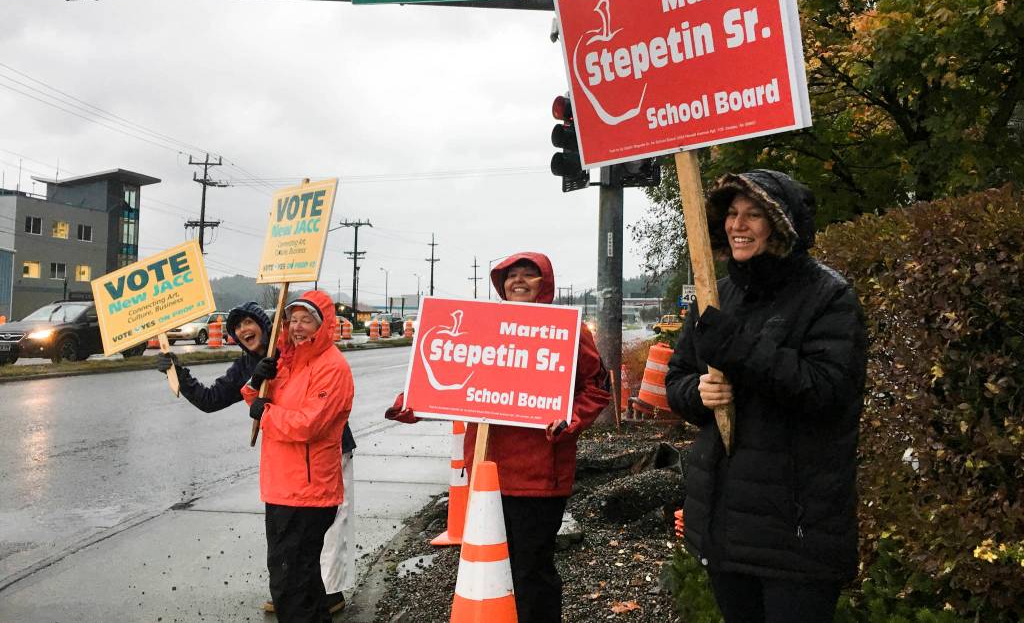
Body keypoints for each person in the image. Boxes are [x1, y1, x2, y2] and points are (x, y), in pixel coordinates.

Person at [664, 170, 867, 623]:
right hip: (726, 528)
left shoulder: (829, 298)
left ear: (781, 223)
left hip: (797, 534)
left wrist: (737, 346)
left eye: (754, 214)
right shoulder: (718, 295)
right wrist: (700, 393)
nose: (738, 224)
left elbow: (826, 390)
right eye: (732, 214)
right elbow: (677, 379)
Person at [387, 252, 610, 622]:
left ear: (546, 284)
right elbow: (446, 377)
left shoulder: (568, 330)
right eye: (511, 276)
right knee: (488, 567)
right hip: (487, 476)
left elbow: (596, 387)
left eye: (529, 275)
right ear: (501, 285)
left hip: (541, 478)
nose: (518, 281)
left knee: (531, 571)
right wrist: (411, 402)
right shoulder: (483, 326)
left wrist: (571, 419)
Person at [158, 297, 354, 618]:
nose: (244, 329)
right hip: (285, 477)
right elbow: (213, 399)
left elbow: (308, 422)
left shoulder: (300, 358)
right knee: (296, 571)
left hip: (317, 467)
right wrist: (178, 373)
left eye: (250, 321)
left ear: (266, 325)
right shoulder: (255, 364)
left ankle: (331, 595)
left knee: (307, 562)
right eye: (237, 326)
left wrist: (265, 413)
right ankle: (315, 598)